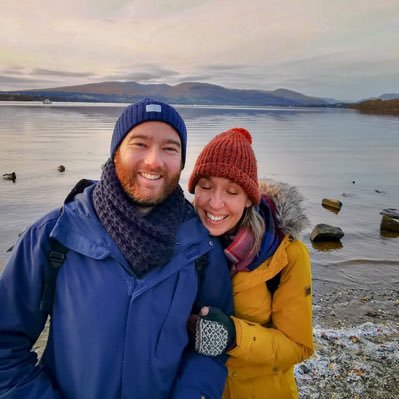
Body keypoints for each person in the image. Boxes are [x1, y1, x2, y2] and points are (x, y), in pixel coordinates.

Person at [0, 98, 233, 399]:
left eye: (170, 148)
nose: (154, 161)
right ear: (115, 152)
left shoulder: (200, 247)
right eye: (139, 143)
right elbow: (6, 346)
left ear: (182, 160)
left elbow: (213, 345)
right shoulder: (54, 237)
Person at [187, 127, 314, 398]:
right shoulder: (181, 244)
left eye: (232, 191)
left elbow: (298, 346)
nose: (215, 203)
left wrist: (234, 336)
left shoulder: (285, 254)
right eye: (206, 187)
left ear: (248, 199)